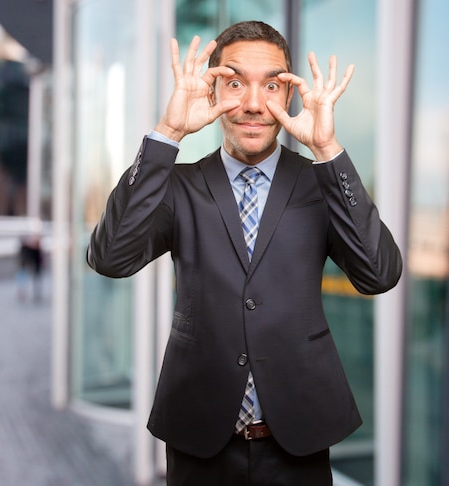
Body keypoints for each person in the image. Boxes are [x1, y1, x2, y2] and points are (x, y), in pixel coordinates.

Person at [87, 21, 402, 485]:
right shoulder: (181, 186)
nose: (254, 104)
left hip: (299, 437)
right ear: (213, 92)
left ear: (289, 96)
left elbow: (379, 273)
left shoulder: (321, 182)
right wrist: (168, 131)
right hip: (199, 439)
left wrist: (327, 149)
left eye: (272, 86)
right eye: (235, 83)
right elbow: (110, 256)